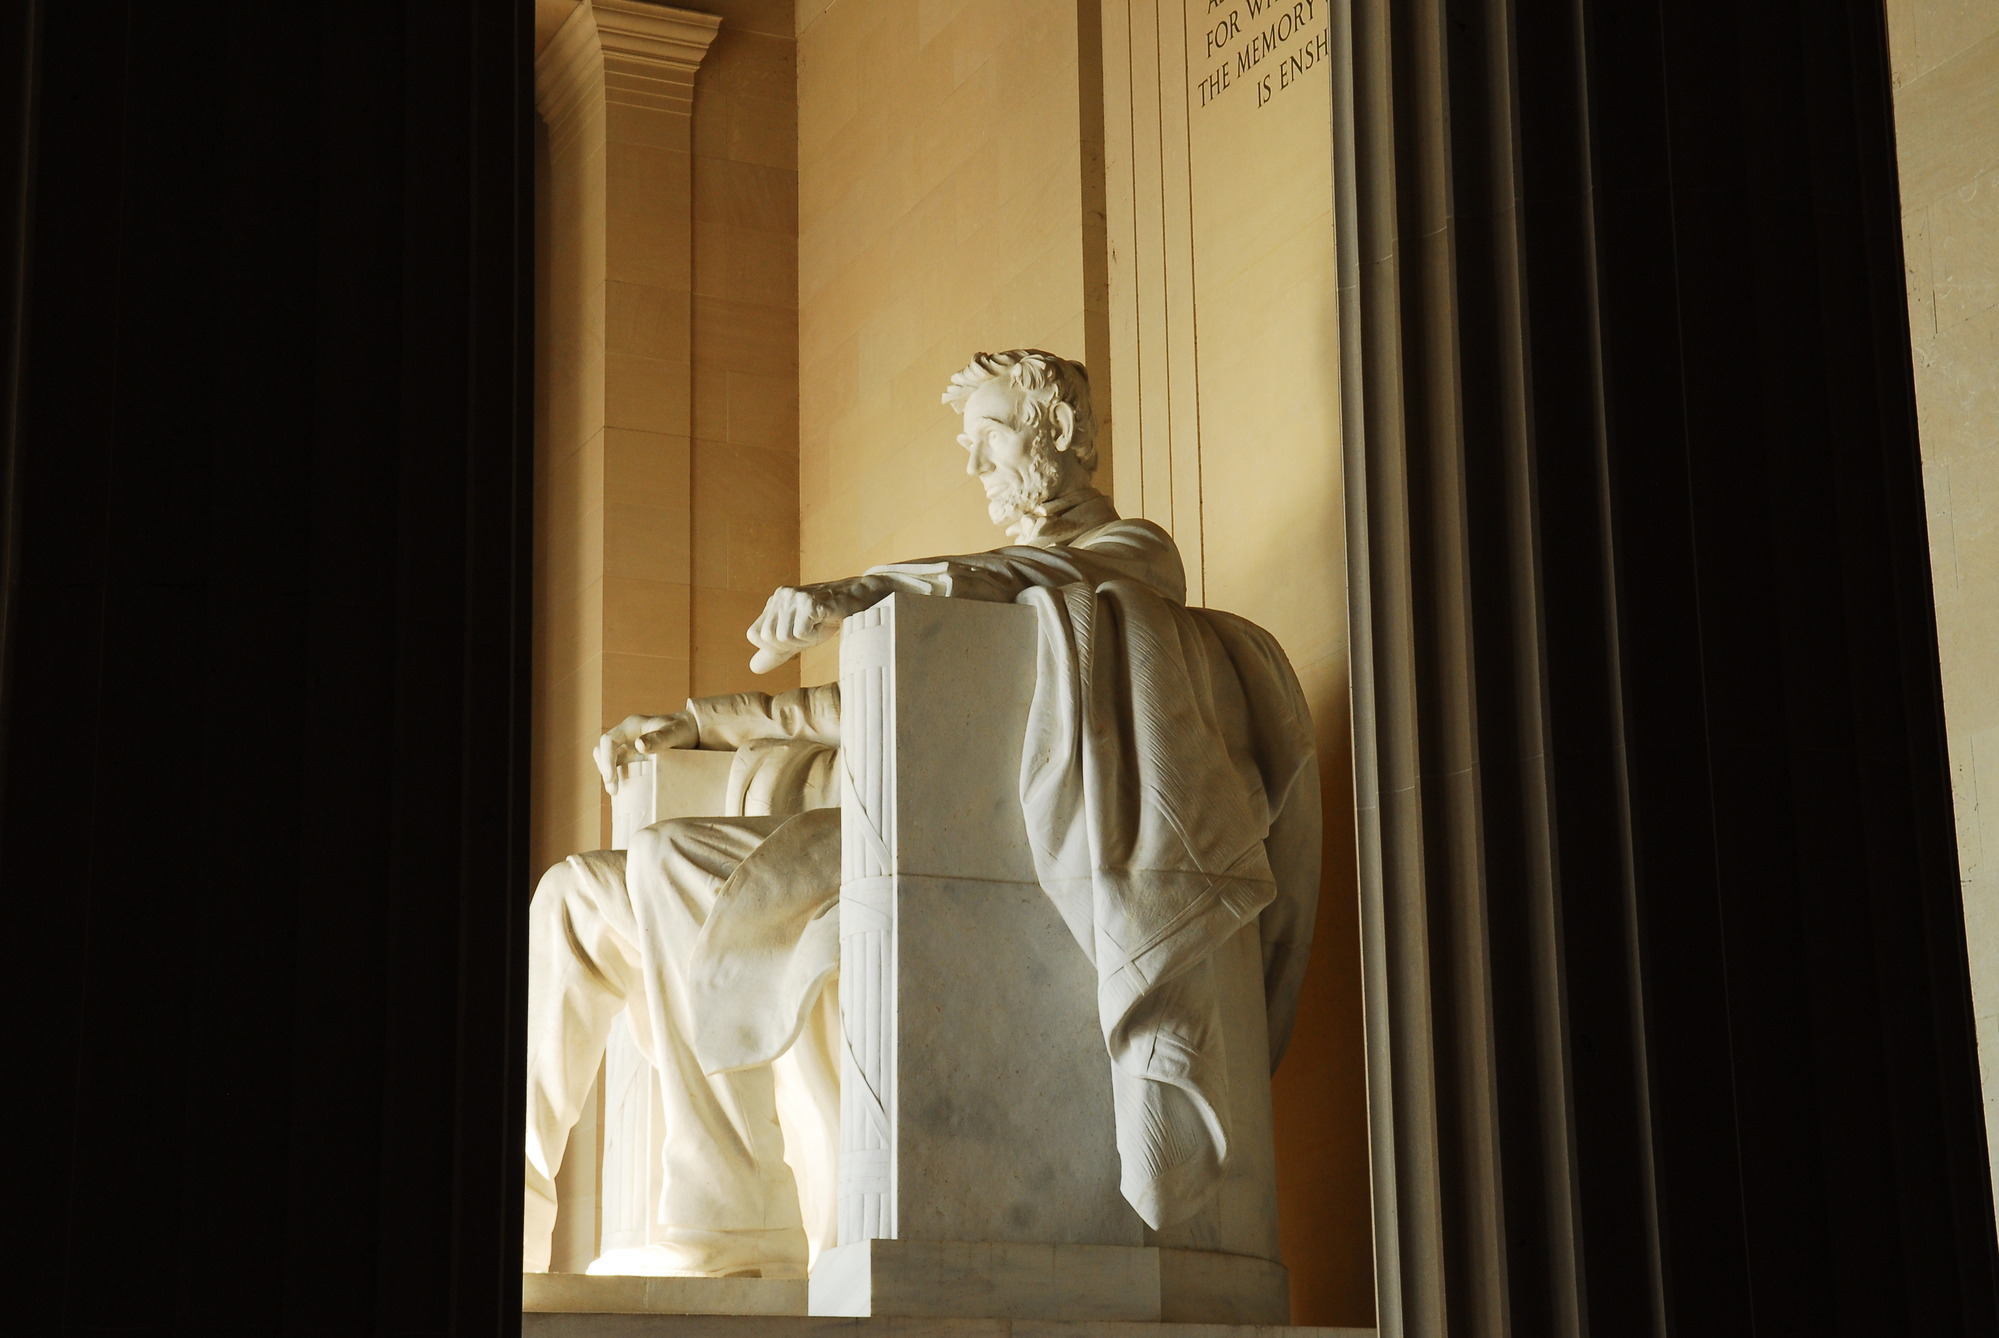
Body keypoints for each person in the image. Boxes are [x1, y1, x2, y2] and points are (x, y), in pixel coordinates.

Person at [524, 350, 1320, 1278]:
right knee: (570, 894)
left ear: (1054, 433)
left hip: (960, 844)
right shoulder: (990, 589)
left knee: (668, 860)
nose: (975, 465)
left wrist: (859, 591)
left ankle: (733, 1220)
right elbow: (836, 708)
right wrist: (697, 724)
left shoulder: (1120, 561)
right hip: (876, 823)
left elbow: (1005, 575)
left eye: (988, 436)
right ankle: (515, 1224)